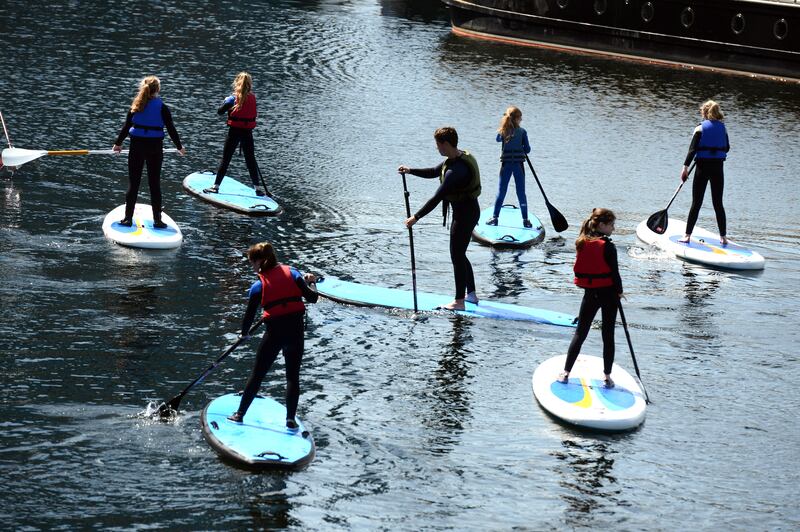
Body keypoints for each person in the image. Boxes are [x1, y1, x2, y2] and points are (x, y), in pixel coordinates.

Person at [227, 242, 318, 430]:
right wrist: (312, 281)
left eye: (252, 262)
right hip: (295, 333)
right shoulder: (293, 274)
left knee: (257, 375)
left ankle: (239, 414)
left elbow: (248, 319)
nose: (252, 266)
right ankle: (290, 420)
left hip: (274, 334)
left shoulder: (257, 287)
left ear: (260, 262)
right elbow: (312, 298)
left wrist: (244, 335)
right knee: (292, 377)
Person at [398, 127, 481, 311]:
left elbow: (436, 198)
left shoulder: (456, 171)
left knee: (457, 255)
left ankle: (459, 301)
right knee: (460, 253)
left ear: (445, 144)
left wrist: (415, 217)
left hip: (465, 215)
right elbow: (433, 171)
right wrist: (410, 171)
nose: (436, 148)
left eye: (437, 144)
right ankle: (472, 295)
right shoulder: (455, 159)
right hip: (467, 212)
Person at [558, 208, 623, 388]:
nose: (614, 229)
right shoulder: (608, 247)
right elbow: (615, 274)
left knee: (580, 333)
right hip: (609, 294)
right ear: (602, 225)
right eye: (611, 225)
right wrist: (620, 292)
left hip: (590, 294)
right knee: (608, 335)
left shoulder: (582, 241)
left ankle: (565, 373)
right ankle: (607, 376)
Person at [113, 76, 186, 228]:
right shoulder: (162, 107)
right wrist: (179, 146)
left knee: (134, 183)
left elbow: (126, 127)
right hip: (154, 147)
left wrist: (118, 144)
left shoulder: (136, 105)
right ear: (157, 90)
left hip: (137, 146)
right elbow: (171, 128)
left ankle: (128, 218)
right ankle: (157, 220)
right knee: (154, 184)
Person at [203, 72, 268, 196]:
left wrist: (225, 102)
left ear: (237, 83)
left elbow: (219, 112)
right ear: (250, 85)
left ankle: (215, 187)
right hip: (247, 132)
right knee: (250, 160)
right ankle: (258, 189)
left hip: (234, 132)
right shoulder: (252, 98)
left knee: (226, 159)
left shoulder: (232, 99)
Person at [679, 99, 730, 246]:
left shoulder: (700, 128)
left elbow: (692, 150)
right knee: (718, 203)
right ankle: (723, 238)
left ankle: (687, 236)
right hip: (718, 169)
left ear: (704, 112)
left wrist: (685, 168)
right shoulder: (723, 128)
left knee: (696, 203)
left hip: (702, 168)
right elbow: (726, 148)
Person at [487, 106, 532, 227]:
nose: (521, 120)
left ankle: (495, 218)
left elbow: (497, 139)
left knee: (501, 191)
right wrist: (521, 146)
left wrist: (503, 127)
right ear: (517, 119)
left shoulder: (503, 131)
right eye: (520, 118)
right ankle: (525, 220)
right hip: (518, 166)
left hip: (506, 165)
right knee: (521, 193)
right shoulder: (523, 132)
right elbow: (527, 150)